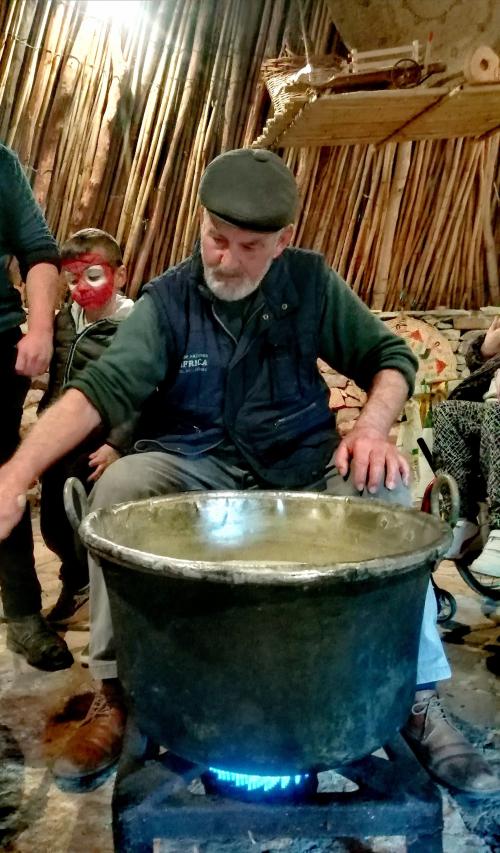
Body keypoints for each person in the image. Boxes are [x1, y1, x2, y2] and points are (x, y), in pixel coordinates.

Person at [0, 149, 497, 796]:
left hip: (300, 468)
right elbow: (101, 388)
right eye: (215, 238)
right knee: (119, 488)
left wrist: (373, 429)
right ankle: (116, 691)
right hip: (194, 463)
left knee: (385, 487)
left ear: (283, 241)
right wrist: (16, 473)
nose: (225, 259)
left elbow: (389, 356)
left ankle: (419, 699)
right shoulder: (170, 299)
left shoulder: (312, 285)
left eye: (248, 245)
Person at [38, 228, 135, 626]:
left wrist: (117, 443)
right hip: (60, 439)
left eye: (93, 276)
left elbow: (141, 391)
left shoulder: (134, 326)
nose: (81, 287)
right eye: (73, 279)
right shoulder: (65, 321)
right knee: (54, 522)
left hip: (96, 444)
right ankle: (74, 586)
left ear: (120, 275)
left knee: (90, 519)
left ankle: (101, 599)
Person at [0, 143, 72, 671]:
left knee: (4, 477)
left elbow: (39, 251)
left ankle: (23, 615)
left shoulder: (1, 164)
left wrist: (42, 327)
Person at [434, 316, 500, 578]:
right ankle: (462, 520)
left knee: (496, 412)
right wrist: (487, 349)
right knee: (448, 413)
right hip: (492, 406)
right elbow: (479, 365)